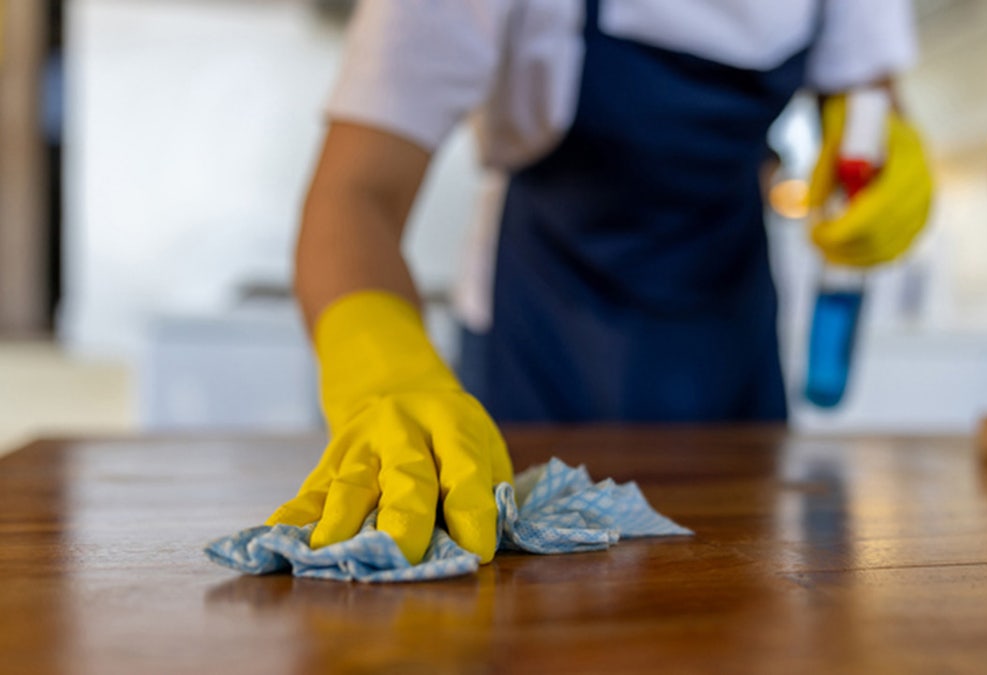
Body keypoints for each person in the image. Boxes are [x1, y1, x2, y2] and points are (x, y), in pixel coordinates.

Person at [267, 0, 933, 566]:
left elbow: (869, 98)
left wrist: (887, 156)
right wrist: (385, 371)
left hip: (730, 323)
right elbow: (356, 194)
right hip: (542, 319)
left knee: (744, 582)